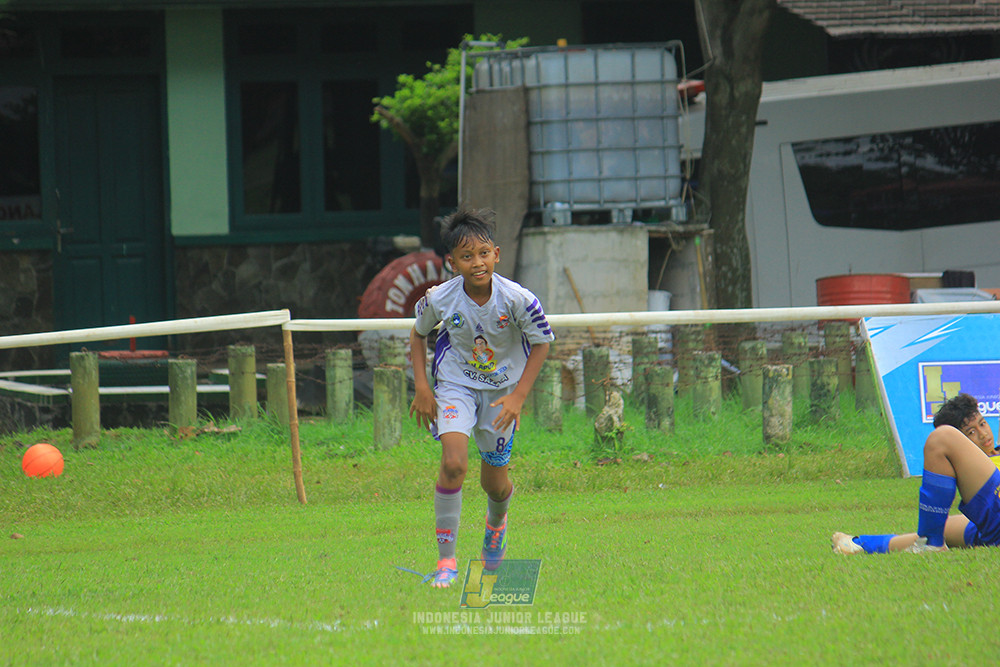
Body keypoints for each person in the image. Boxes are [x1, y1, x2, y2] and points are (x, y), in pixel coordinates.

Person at [409, 208, 554, 587]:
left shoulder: (518, 299)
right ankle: (446, 562)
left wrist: (519, 397)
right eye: (467, 256)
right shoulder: (441, 298)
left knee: (495, 484)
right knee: (454, 463)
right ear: (451, 262)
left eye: (484, 253)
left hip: (502, 393)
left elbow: (542, 343)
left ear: (497, 255)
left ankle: (496, 524)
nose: (478, 263)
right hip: (456, 383)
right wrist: (423, 387)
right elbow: (417, 333)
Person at [832, 393, 1000, 554]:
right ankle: (859, 544)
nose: (983, 434)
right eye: (971, 432)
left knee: (941, 439)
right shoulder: (978, 469)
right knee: (941, 527)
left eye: (983, 424)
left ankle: (931, 544)